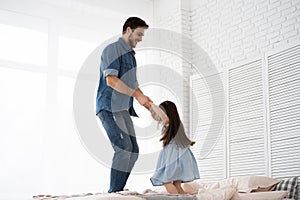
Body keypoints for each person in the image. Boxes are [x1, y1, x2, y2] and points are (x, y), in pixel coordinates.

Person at [96, 17, 152, 193]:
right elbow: (111, 80)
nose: (141, 38)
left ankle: (118, 191)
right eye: (139, 34)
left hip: (123, 109)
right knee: (124, 148)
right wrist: (136, 94)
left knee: (133, 151)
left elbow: (133, 86)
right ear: (128, 30)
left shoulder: (131, 57)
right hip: (109, 107)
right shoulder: (112, 50)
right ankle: (113, 194)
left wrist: (149, 104)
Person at [149, 101, 200, 194]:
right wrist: (150, 107)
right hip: (183, 154)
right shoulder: (177, 124)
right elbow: (155, 116)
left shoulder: (168, 123)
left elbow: (163, 117)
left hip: (172, 155)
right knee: (177, 184)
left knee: (166, 181)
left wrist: (150, 104)